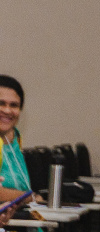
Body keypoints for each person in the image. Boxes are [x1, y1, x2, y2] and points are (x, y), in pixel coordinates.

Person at [0, 75, 40, 205]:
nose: (7, 110)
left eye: (14, 105)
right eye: (1, 103)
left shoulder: (15, 139)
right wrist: (31, 197)